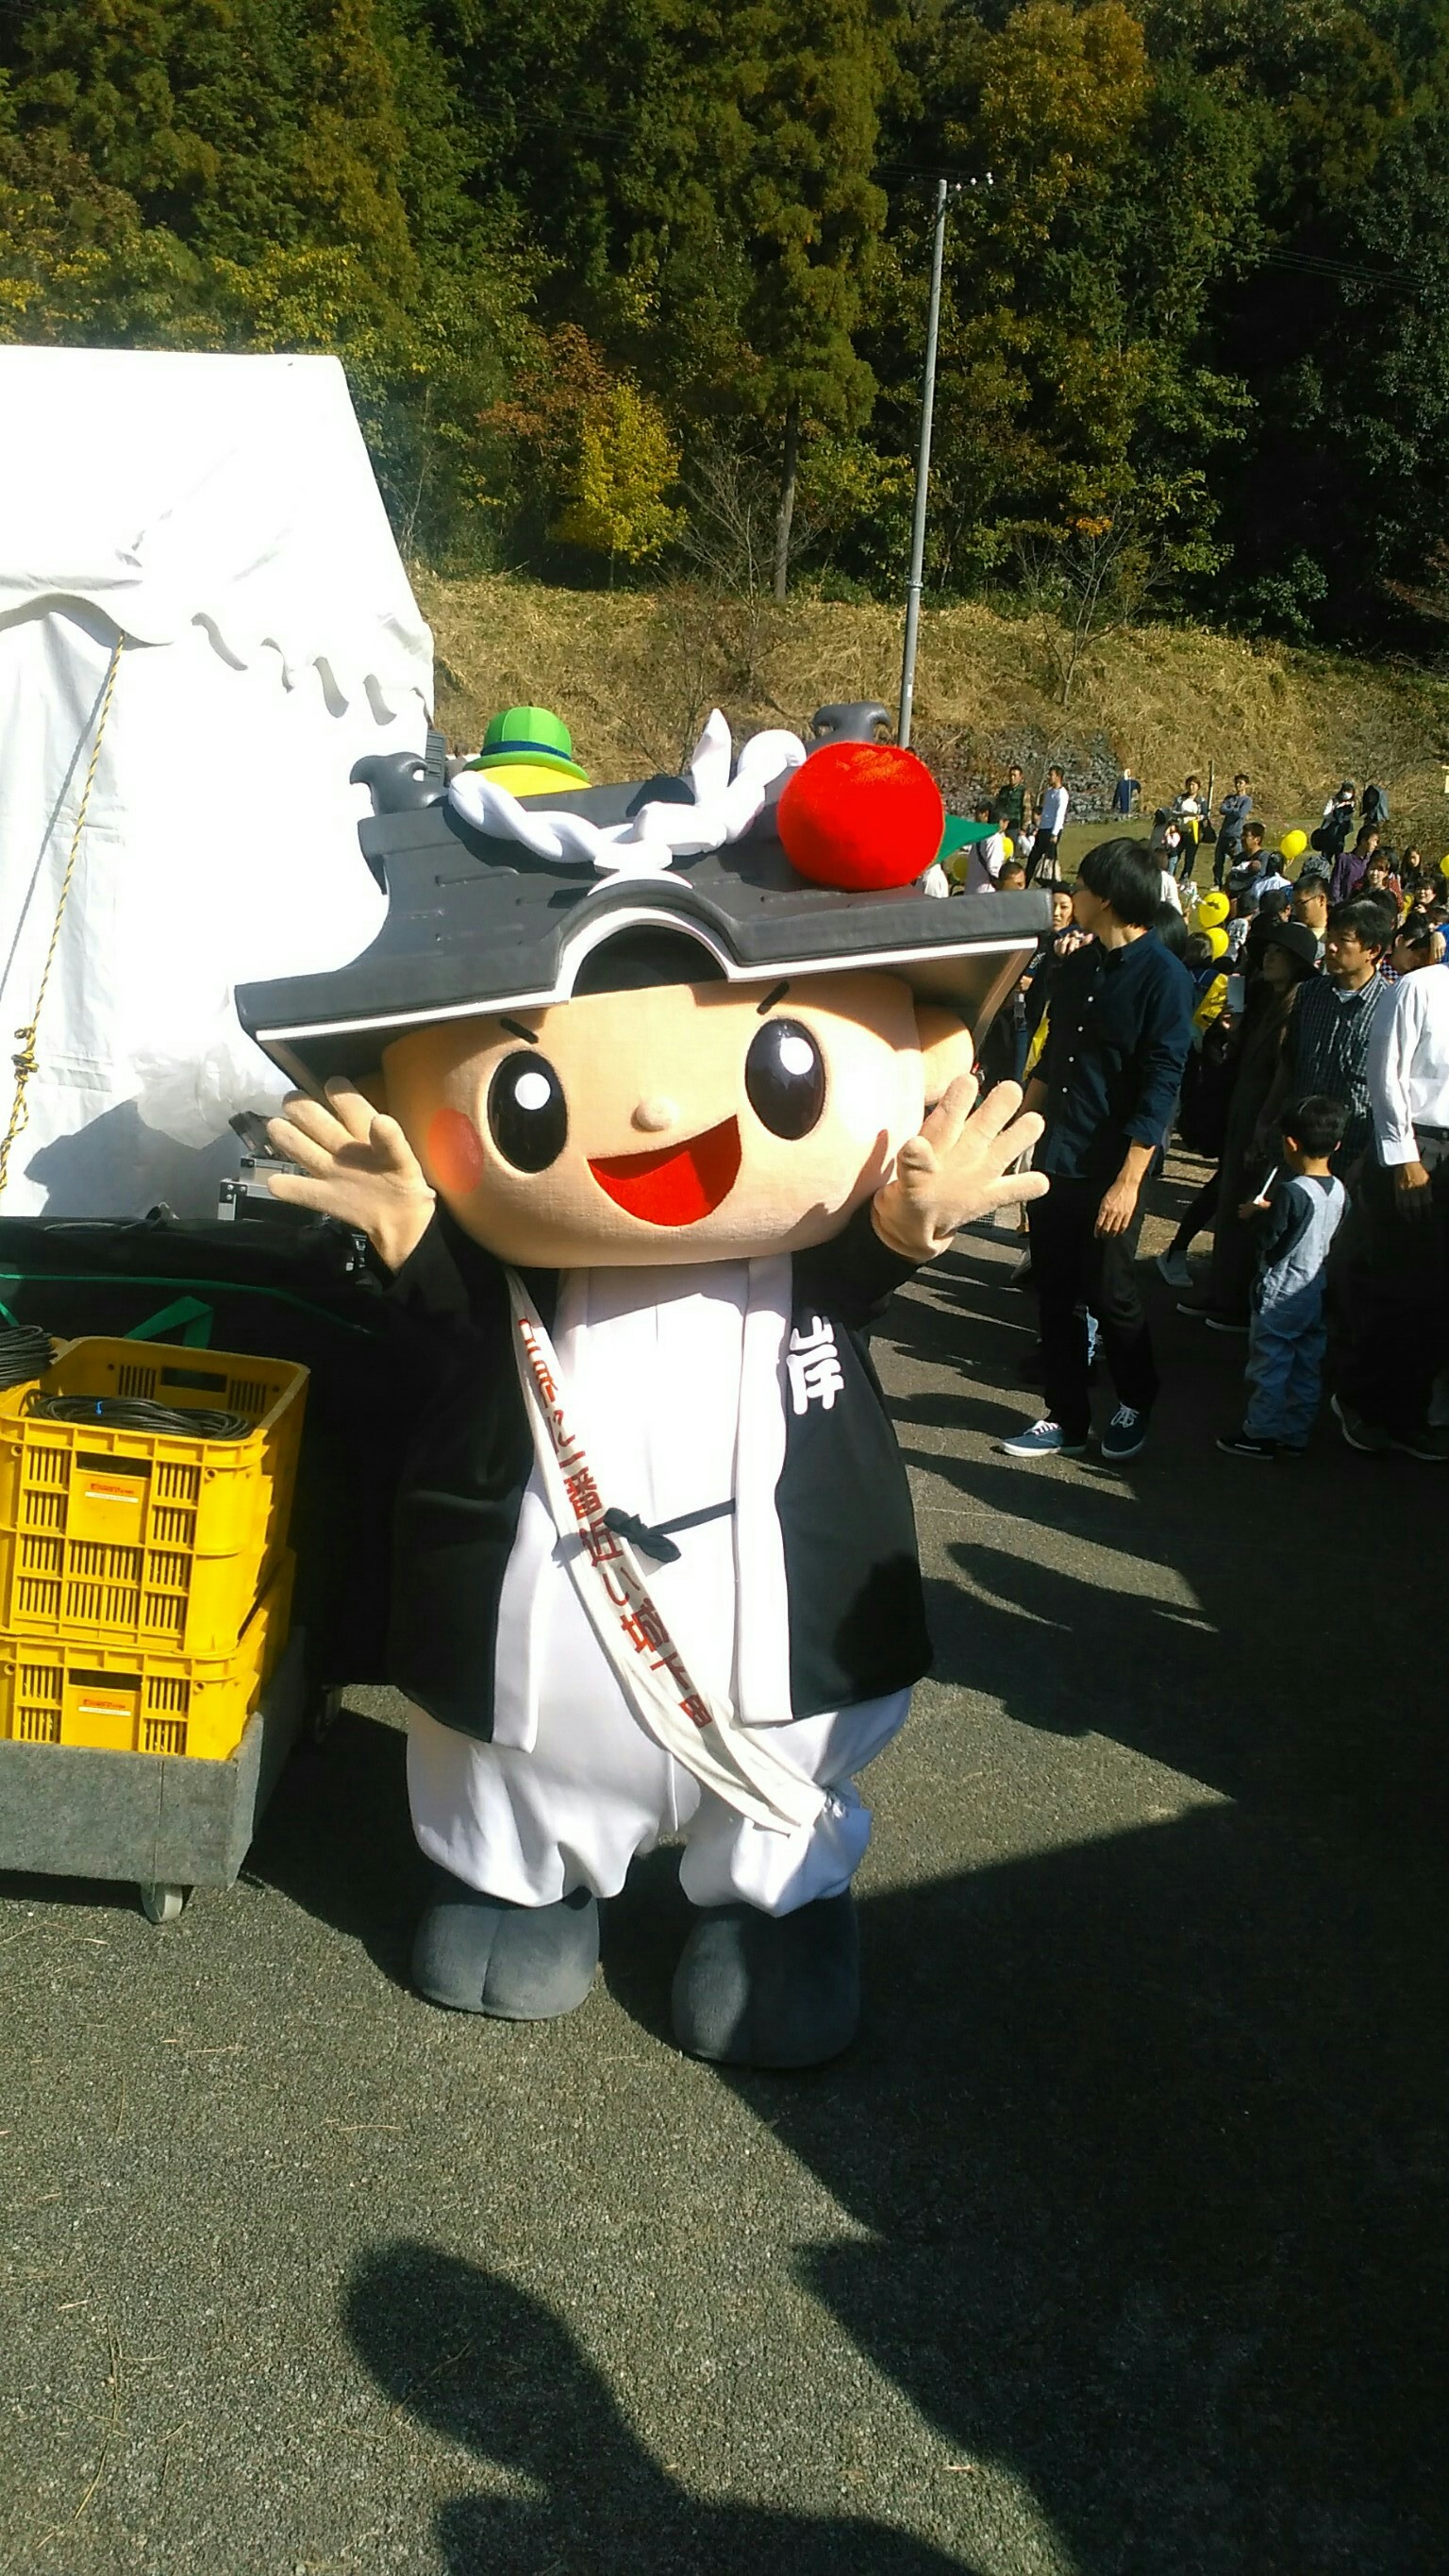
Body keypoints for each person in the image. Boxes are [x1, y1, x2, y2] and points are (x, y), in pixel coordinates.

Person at [1001, 837, 1193, 1463]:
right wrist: (1014, 1138)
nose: (1072, 897)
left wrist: (1130, 1180)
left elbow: (1162, 1082)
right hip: (1059, 1153)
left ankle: (1136, 1399)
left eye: (1081, 887)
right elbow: (1052, 1062)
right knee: (1055, 1290)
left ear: (1106, 898)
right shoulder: (1077, 966)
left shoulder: (1164, 978)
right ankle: (1065, 1416)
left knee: (1111, 1291)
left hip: (1114, 1163)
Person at [1330, 909, 1449, 1461]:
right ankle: (1361, 1400)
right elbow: (1387, 1074)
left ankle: (1409, 1412)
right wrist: (1404, 1158)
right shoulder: (1420, 989)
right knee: (1399, 1287)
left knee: (1437, 1296)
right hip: (1417, 1146)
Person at [1172, 917, 1321, 1316]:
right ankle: (1223, 1292)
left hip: (1265, 1122)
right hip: (1242, 1113)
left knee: (1248, 1209)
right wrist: (1231, 1032)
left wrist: (1265, 1126)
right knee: (1230, 1204)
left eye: (1278, 953)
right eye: (1267, 952)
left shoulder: (1298, 1008)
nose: (1268, 959)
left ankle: (1235, 1300)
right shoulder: (1264, 1001)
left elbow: (1282, 1074)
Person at [1217, 1095, 1346, 1458]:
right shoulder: (1338, 1190)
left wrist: (1255, 1214)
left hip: (1283, 1291)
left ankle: (1260, 1432)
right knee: (1306, 1364)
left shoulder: (1291, 1190)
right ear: (1337, 1145)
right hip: (1315, 1287)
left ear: (1290, 1144)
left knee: (1270, 1362)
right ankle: (1295, 1432)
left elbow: (1271, 1240)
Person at [1254, 895, 1391, 1174]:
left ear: (1372, 951)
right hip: (1297, 1146)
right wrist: (1265, 1119)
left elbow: (1391, 1091)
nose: (1331, 946)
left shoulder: (1390, 1006)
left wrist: (1368, 1158)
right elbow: (1289, 1063)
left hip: (1350, 1150)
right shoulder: (1309, 994)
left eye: (1343, 940)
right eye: (1330, 936)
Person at [1030, 765, 1069, 881]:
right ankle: (1026, 882)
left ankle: (1050, 883)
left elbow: (1060, 814)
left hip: (1052, 829)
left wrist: (1054, 834)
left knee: (1049, 861)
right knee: (1033, 857)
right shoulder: (1049, 792)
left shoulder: (1062, 794)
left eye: (1051, 775)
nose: (1048, 777)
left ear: (1058, 777)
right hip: (1043, 828)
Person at [1216, 774, 1252, 887]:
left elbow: (1241, 814)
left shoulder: (1247, 800)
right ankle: (1217, 883)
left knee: (1236, 861)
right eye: (1236, 783)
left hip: (1236, 834)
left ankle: (1233, 884)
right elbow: (1222, 809)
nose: (1238, 785)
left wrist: (1230, 810)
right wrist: (1234, 810)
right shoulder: (1229, 798)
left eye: (1241, 783)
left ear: (1246, 785)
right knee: (1218, 861)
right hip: (1224, 833)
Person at [1291, 871, 1330, 960]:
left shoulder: (1337, 934)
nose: (1296, 910)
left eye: (1301, 903)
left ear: (1321, 900)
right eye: (1294, 904)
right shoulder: (1294, 935)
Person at [993, 762, 1029, 832]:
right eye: (1010, 775)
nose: (1012, 778)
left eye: (1014, 775)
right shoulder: (1003, 790)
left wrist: (1024, 828)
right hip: (1001, 824)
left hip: (1014, 825)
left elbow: (1027, 811)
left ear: (1020, 777)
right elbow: (998, 806)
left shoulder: (1023, 791)